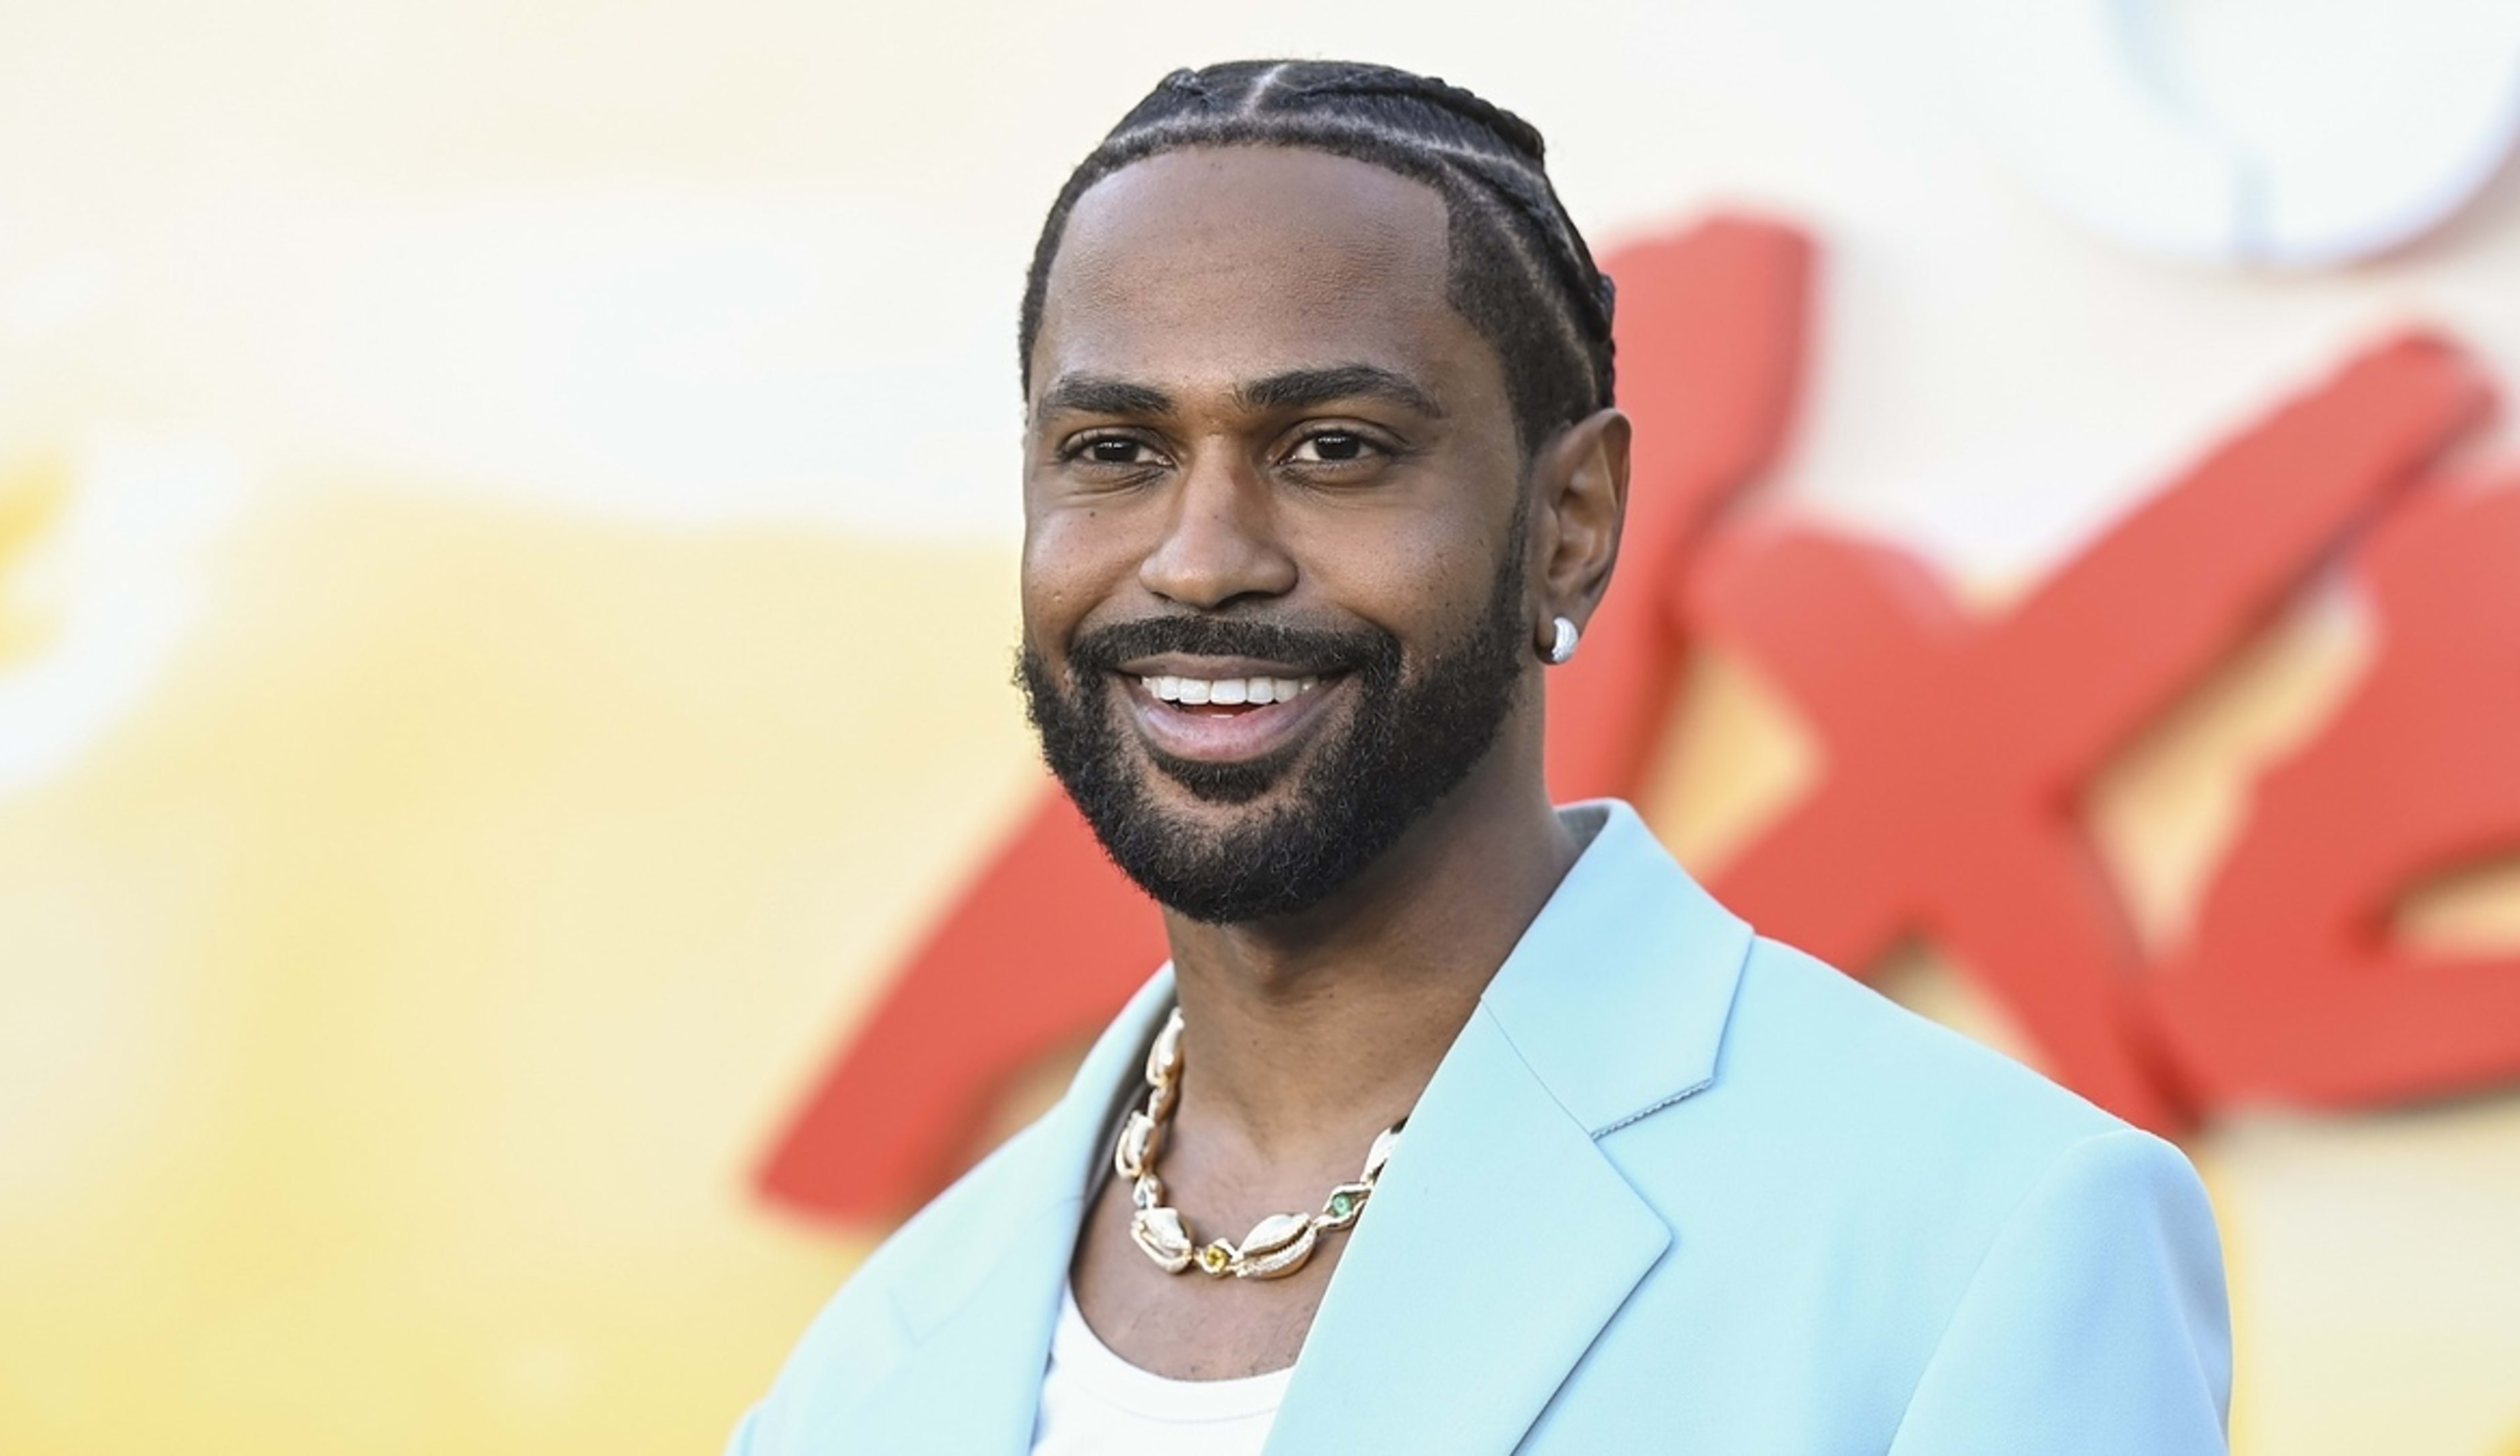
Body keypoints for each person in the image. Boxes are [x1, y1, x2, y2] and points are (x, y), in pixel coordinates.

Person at [730, 59, 2232, 1455]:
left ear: (1569, 521)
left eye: (1334, 447)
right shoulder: (872, 1365)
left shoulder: (1988, 1234)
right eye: (1115, 451)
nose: (1198, 560)